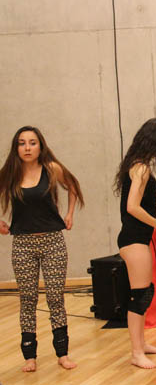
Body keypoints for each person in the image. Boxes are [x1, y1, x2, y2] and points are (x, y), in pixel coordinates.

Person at [0, 126, 84, 372]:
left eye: (32, 142)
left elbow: (73, 186)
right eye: (22, 143)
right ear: (16, 147)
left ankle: (62, 354)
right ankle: (30, 356)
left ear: (40, 146)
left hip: (52, 241)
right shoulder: (10, 174)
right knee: (28, 299)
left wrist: (70, 214)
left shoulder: (51, 169)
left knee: (56, 298)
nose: (27, 148)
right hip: (22, 244)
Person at [114, 117, 156, 369]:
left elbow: (136, 199)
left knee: (143, 293)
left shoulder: (137, 164)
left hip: (137, 237)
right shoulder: (141, 168)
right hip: (134, 238)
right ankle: (136, 352)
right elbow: (131, 207)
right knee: (139, 296)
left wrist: (155, 206)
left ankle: (141, 343)